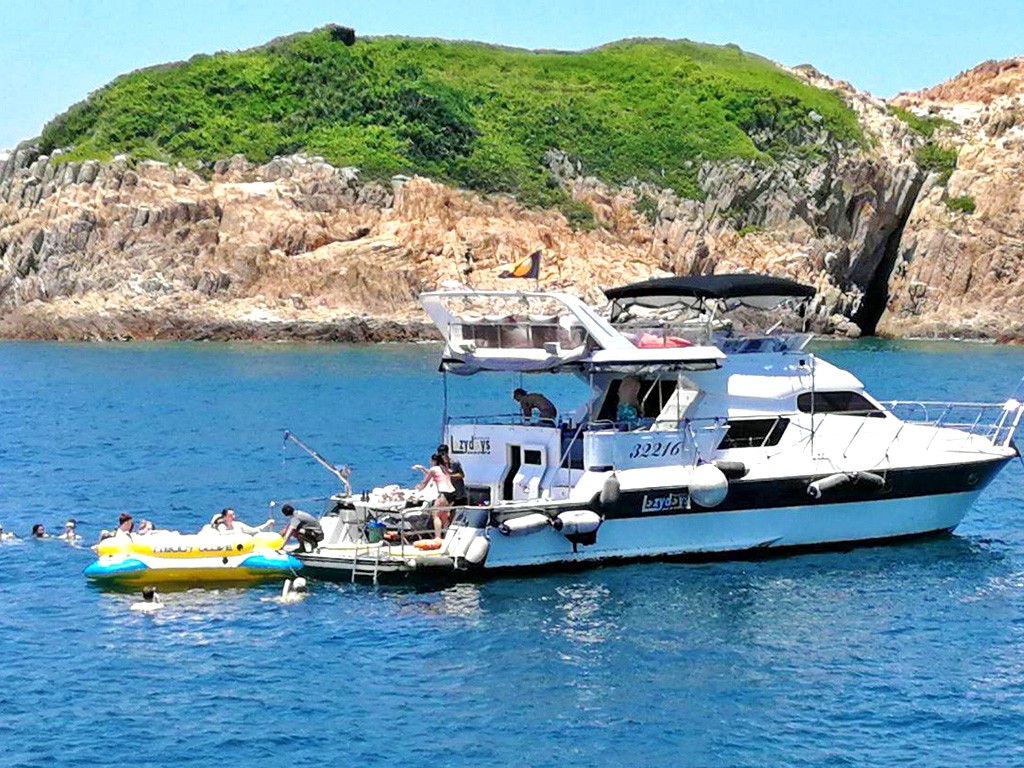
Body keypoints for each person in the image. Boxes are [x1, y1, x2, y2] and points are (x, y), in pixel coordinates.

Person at [413, 454, 454, 539]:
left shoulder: (433, 469)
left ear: (434, 461)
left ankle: (438, 537)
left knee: (435, 514)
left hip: (444, 493)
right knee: (444, 515)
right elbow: (433, 474)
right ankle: (447, 537)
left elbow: (425, 482)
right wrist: (422, 468)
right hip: (452, 494)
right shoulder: (444, 468)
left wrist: (418, 488)